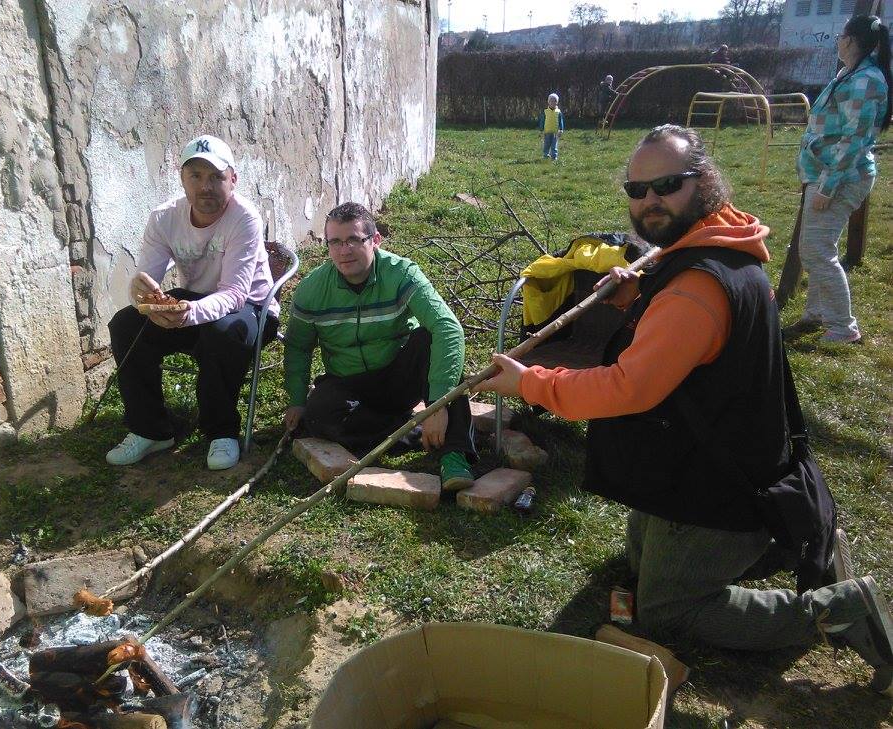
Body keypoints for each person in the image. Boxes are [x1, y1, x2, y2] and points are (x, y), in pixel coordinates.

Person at [473, 124, 893, 695]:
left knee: (667, 609)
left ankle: (835, 609)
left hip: (717, 478)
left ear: (704, 182)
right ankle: (784, 540)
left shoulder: (695, 288)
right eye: (637, 189)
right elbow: (687, 338)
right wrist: (638, 297)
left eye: (667, 185)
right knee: (637, 563)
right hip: (725, 450)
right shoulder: (723, 245)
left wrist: (530, 382)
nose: (649, 200)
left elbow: (628, 389)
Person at [105, 135, 278, 470]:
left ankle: (221, 431)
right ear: (182, 179)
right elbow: (147, 279)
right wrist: (145, 299)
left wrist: (187, 314)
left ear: (233, 179)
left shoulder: (244, 217)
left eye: (216, 177)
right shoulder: (164, 218)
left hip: (252, 308)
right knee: (126, 324)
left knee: (222, 331)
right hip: (196, 302)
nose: (205, 187)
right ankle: (150, 429)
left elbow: (235, 294)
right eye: (195, 176)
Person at [282, 202, 476, 491]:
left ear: (375, 240)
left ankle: (455, 453)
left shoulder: (402, 273)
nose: (344, 250)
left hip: (399, 376)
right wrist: (297, 399)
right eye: (335, 242)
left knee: (432, 341)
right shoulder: (312, 289)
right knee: (319, 413)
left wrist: (438, 403)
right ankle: (411, 432)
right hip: (348, 383)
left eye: (354, 240)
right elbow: (298, 346)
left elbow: (447, 328)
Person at [786, 14, 891, 345]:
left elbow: (855, 139)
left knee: (816, 250)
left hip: (839, 179)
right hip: (824, 174)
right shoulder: (851, 74)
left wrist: (827, 187)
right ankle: (816, 314)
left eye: (839, 36)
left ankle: (843, 328)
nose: (836, 42)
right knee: (816, 247)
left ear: (851, 40)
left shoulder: (865, 81)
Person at [537, 93, 564, 161]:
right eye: (551, 101)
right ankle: (545, 155)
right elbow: (542, 121)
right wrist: (541, 129)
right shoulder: (545, 112)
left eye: (554, 101)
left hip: (555, 132)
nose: (552, 102)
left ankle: (554, 157)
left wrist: (561, 129)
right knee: (546, 144)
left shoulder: (558, 112)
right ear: (548, 102)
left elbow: (560, 121)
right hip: (547, 132)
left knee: (554, 145)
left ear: (557, 102)